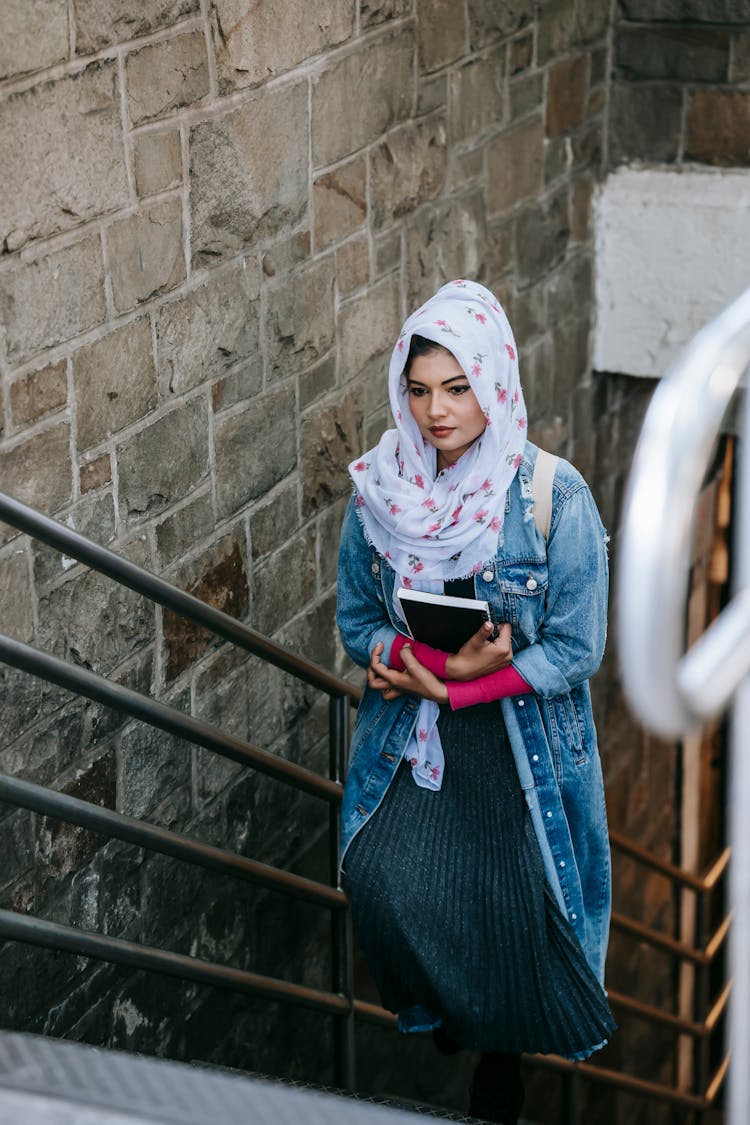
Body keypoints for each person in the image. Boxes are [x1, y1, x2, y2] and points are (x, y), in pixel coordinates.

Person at [336, 279, 614, 1125]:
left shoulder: (551, 498)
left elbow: (575, 649)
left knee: (511, 902)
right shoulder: (382, 493)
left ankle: (500, 1048)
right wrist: (423, 663)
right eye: (419, 390)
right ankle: (452, 1006)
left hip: (518, 738)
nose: (436, 412)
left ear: (494, 382)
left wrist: (465, 681)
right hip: (418, 733)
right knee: (383, 879)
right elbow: (356, 621)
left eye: (457, 388)